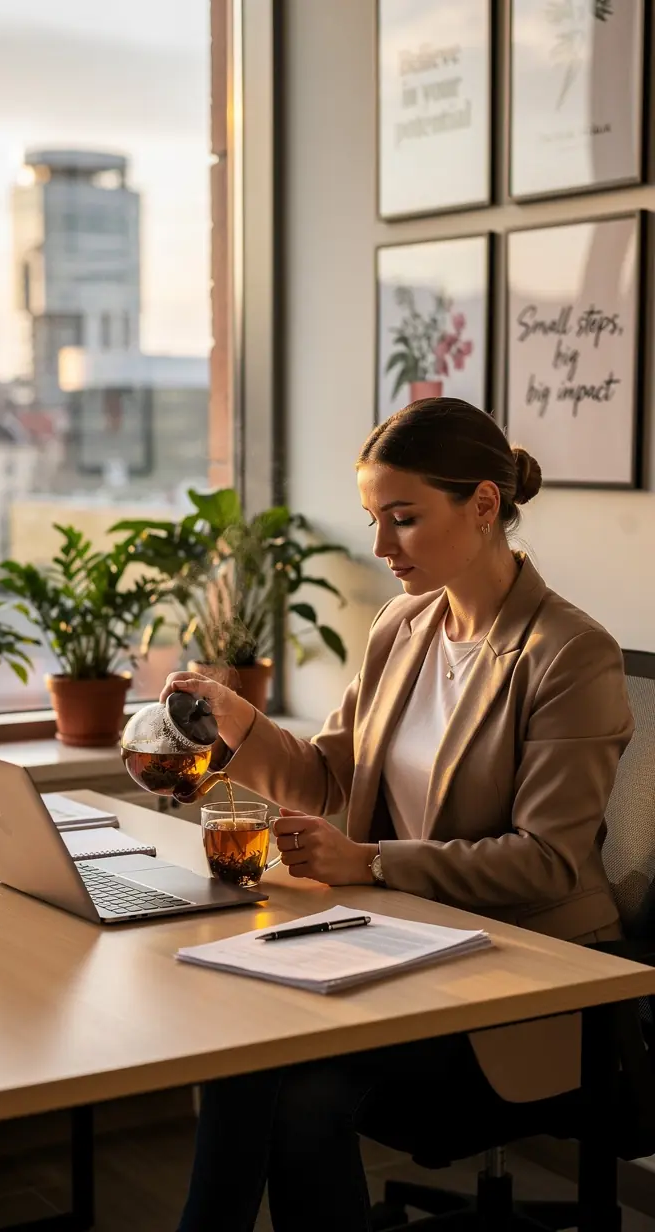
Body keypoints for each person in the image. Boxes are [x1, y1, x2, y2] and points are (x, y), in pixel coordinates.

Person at [164, 398, 633, 1232]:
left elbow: (548, 862)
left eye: (404, 520)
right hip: (404, 942)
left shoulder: (569, 652)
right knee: (238, 1054)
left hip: (527, 972)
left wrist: (372, 862)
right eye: (374, 519)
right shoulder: (402, 626)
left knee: (305, 1096)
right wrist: (235, 719)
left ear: (484, 506)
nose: (381, 548)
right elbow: (322, 778)